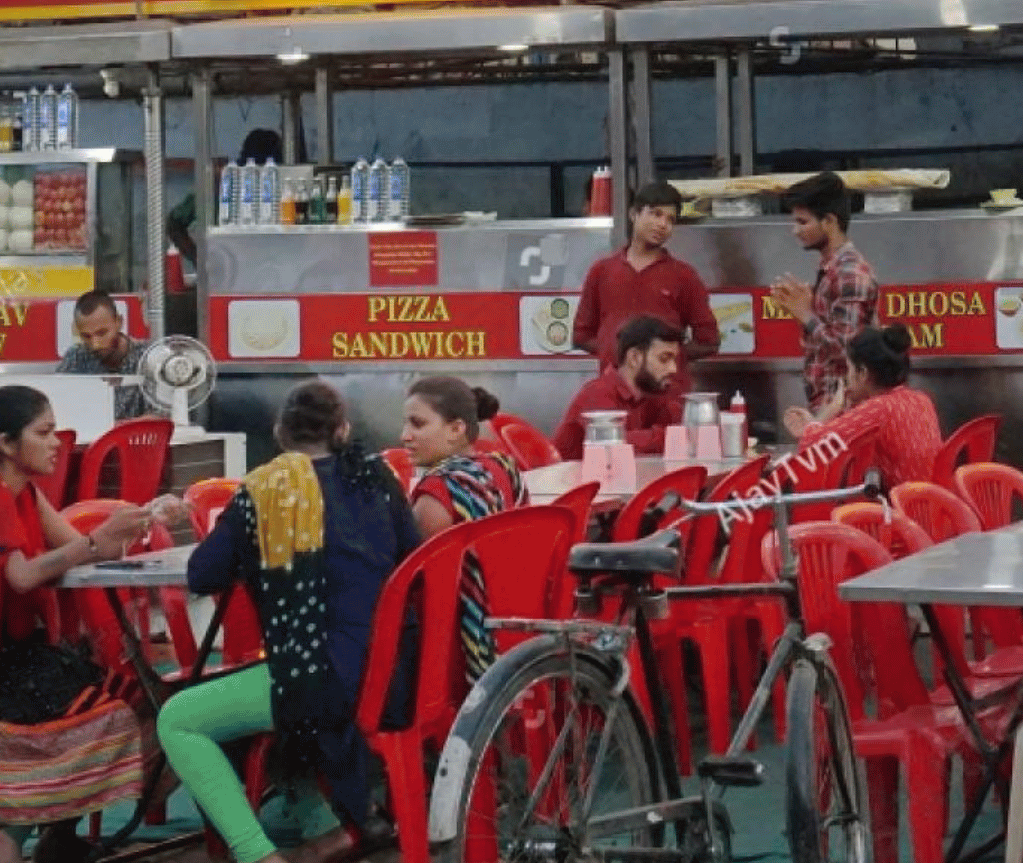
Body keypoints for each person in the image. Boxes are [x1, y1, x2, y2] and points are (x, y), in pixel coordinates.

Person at [159, 381, 420, 863]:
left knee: (178, 718)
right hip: (394, 673)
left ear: (280, 433)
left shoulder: (266, 492)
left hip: (321, 678)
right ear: (343, 430)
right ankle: (328, 829)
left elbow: (202, 574)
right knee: (276, 689)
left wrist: (263, 553)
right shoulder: (377, 479)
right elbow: (413, 556)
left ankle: (256, 853)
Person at [0, 386, 184, 863]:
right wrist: (97, 542)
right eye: (45, 432)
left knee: (153, 700)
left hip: (31, 656)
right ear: (7, 445)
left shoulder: (26, 494)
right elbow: (22, 576)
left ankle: (56, 836)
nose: (58, 442)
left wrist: (146, 519)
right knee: (130, 711)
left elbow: (82, 549)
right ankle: (6, 844)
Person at [400, 376, 525, 676]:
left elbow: (412, 581)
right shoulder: (504, 468)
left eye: (417, 425)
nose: (404, 436)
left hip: (454, 641)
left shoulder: (438, 493)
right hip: (514, 620)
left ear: (456, 429)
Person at [571, 181, 719, 391]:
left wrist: (663, 358)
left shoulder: (684, 275)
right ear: (634, 214)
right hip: (614, 393)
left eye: (670, 220)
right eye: (655, 214)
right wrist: (618, 356)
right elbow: (581, 336)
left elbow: (708, 341)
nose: (662, 224)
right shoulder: (601, 271)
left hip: (668, 394)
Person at [768, 171, 879, 414]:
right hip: (830, 409)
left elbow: (850, 352)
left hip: (846, 413)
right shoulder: (831, 269)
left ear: (829, 221)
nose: (795, 231)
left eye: (803, 222)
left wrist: (806, 315)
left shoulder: (850, 273)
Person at [782, 325, 944, 489]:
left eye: (849, 369)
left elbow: (810, 448)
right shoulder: (922, 400)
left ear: (863, 373)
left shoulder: (878, 409)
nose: (846, 377)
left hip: (904, 510)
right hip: (933, 504)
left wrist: (830, 410)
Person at [551, 314, 685, 459]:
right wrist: (669, 436)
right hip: (568, 479)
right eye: (664, 359)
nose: (673, 369)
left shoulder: (650, 394)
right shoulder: (597, 393)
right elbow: (612, 446)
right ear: (634, 358)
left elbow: (683, 434)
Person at [167, 129, 284, 267]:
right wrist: (199, 259)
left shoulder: (280, 185)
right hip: (227, 270)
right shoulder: (222, 184)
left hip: (268, 269)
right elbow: (174, 223)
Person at [56, 291, 149, 421]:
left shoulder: (147, 358)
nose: (95, 344)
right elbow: (56, 406)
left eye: (102, 333)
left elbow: (163, 415)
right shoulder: (76, 357)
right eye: (86, 336)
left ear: (119, 322)